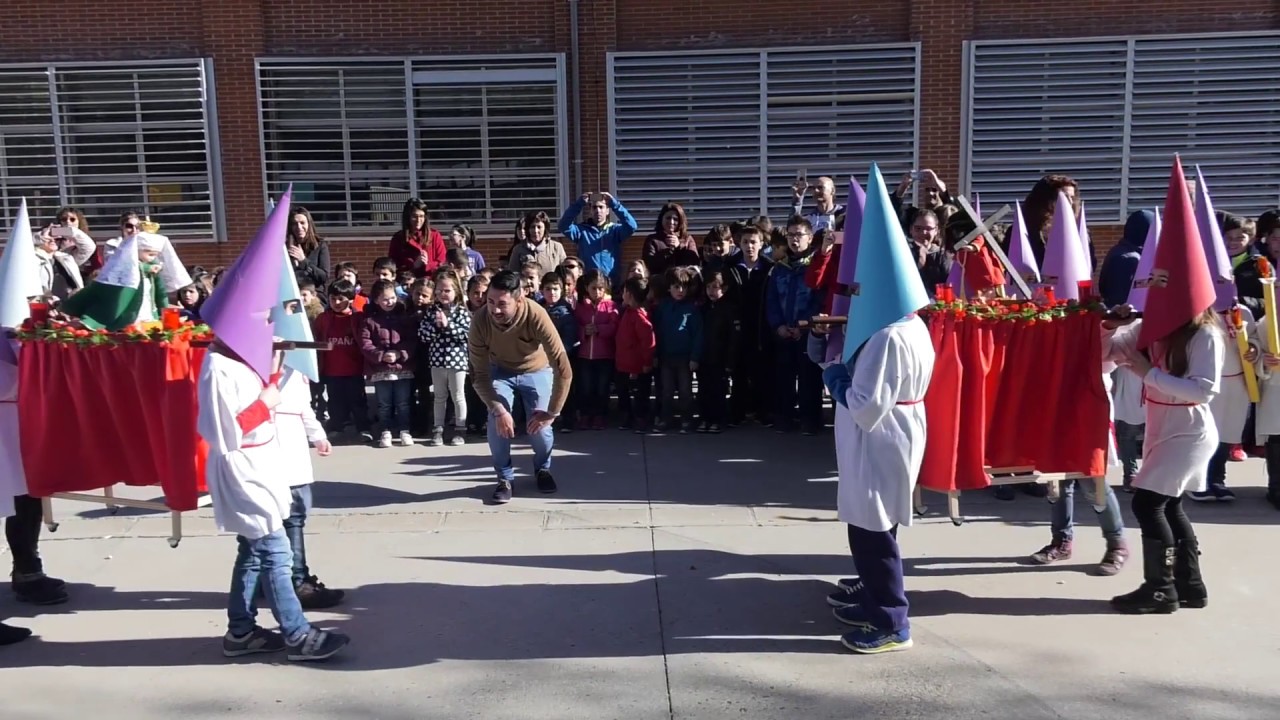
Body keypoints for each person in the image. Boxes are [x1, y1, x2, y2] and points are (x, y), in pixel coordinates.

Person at [196, 193, 348, 660]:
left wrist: (278, 368)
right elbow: (230, 430)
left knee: (253, 553)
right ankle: (299, 636)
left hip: (260, 466)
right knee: (276, 554)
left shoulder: (241, 360)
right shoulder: (219, 369)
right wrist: (270, 397)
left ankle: (240, 632)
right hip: (244, 469)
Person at [822, 164, 934, 654]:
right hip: (895, 430)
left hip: (882, 436)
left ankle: (892, 619)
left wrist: (837, 381)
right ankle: (872, 596)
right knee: (873, 520)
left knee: (873, 528)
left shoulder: (889, 336)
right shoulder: (913, 326)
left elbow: (867, 407)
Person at [1104, 160, 1215, 615]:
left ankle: (1161, 589)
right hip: (1162, 428)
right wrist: (1110, 323)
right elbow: (1114, 350)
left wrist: (1147, 371)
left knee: (1150, 504)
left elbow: (1203, 390)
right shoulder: (1153, 326)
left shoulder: (1206, 334)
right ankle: (1192, 585)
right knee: (1169, 508)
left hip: (1189, 432)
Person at [468, 270, 573, 504]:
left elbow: (563, 368)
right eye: (490, 301)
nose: (494, 310)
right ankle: (504, 478)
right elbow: (478, 374)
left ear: (519, 300)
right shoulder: (481, 320)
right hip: (499, 371)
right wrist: (498, 410)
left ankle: (542, 469)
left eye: (502, 304)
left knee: (541, 427)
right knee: (497, 422)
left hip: (536, 369)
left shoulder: (537, 314)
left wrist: (553, 412)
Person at [275, 366, 345, 609]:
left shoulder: (291, 370)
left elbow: (303, 406)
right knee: (290, 520)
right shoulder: (256, 368)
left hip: (290, 453)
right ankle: (297, 581)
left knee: (289, 518)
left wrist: (317, 435)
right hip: (273, 455)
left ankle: (277, 580)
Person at [60, 232, 192, 330]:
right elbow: (132, 269)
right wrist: (147, 267)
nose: (153, 258)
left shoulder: (154, 267)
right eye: (150, 254)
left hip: (147, 310)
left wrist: (163, 309)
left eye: (156, 255)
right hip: (128, 310)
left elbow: (160, 291)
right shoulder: (125, 264)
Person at [766, 216, 824, 434]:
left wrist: (804, 325)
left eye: (799, 235)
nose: (794, 240)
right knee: (784, 376)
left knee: (809, 377)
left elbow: (818, 299)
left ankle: (810, 420)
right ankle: (785, 417)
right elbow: (771, 300)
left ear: (809, 238)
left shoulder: (815, 265)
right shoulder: (779, 268)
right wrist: (778, 325)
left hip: (807, 332)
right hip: (784, 331)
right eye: (790, 235)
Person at [361, 279, 418, 448]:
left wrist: (400, 353)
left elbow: (412, 340)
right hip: (380, 369)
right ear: (376, 300)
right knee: (384, 404)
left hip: (402, 367)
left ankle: (404, 431)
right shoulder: (369, 320)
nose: (389, 302)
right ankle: (385, 431)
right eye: (385, 299)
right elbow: (365, 343)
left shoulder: (404, 317)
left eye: (392, 297)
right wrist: (380, 355)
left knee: (404, 402)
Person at [419, 272, 471, 447]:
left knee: (458, 396)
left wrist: (448, 326)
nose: (443, 293)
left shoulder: (462, 312)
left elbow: (467, 336)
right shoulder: (431, 312)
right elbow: (423, 335)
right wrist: (436, 326)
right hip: (437, 360)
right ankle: (438, 429)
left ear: (455, 291)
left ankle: (460, 429)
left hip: (457, 361)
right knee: (439, 396)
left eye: (447, 290)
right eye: (440, 290)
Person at [729, 225, 774, 426]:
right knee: (738, 371)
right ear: (739, 244)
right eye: (745, 242)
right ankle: (737, 412)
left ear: (761, 244)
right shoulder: (730, 267)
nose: (749, 246)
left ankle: (762, 411)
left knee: (761, 372)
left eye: (753, 242)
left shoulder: (769, 268)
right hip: (737, 325)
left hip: (760, 326)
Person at [313, 280, 370, 440]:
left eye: (341, 299)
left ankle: (363, 428)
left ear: (351, 299)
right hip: (332, 370)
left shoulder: (358, 318)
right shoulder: (323, 319)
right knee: (335, 401)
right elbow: (316, 338)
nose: (336, 303)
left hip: (354, 369)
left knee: (358, 401)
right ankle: (337, 427)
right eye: (333, 299)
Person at [653, 266, 703, 433]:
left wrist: (695, 357)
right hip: (666, 357)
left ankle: (686, 420)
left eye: (684, 287)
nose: (680, 290)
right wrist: (655, 354)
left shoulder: (692, 309)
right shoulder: (663, 307)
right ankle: (666, 419)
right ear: (669, 288)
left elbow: (698, 334)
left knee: (685, 391)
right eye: (676, 287)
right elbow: (656, 332)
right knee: (666, 391)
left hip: (685, 358)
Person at [557, 192, 639, 289]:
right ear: (591, 211)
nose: (598, 210)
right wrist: (579, 204)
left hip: (611, 285)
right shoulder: (581, 231)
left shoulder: (615, 230)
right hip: (588, 286)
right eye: (594, 207)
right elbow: (563, 226)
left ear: (607, 210)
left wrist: (615, 204)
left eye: (601, 207)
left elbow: (632, 226)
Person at [572, 270, 619, 430]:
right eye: (594, 288)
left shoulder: (611, 306)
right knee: (585, 387)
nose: (597, 292)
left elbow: (614, 326)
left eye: (601, 288)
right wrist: (583, 331)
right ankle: (585, 415)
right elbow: (574, 326)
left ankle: (600, 415)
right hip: (585, 355)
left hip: (604, 355)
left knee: (602, 387)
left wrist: (599, 329)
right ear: (587, 288)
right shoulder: (580, 307)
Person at [696, 270, 739, 433]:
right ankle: (704, 418)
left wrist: (730, 362)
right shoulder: (703, 308)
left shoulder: (729, 309)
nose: (711, 291)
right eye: (708, 287)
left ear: (724, 288)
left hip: (720, 358)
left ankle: (717, 419)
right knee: (703, 390)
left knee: (718, 391)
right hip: (704, 357)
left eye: (715, 287)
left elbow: (734, 339)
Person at [615, 276, 656, 433]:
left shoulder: (639, 316)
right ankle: (627, 417)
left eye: (624, 291)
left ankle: (641, 420)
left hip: (637, 366)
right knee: (623, 392)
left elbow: (648, 342)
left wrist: (647, 363)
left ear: (630, 294)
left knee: (640, 395)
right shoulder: (627, 312)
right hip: (623, 363)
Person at [388, 198, 446, 278]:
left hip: (431, 282)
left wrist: (427, 264)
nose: (418, 220)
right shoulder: (398, 238)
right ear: (408, 217)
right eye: (414, 216)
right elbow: (393, 266)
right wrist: (414, 266)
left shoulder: (434, 235)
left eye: (421, 216)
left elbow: (442, 262)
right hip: (408, 284)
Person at [642, 202, 700, 278]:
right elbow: (648, 265)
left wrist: (679, 247)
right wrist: (668, 251)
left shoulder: (688, 239)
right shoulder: (652, 240)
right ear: (662, 219)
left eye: (675, 219)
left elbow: (694, 263)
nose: (671, 222)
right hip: (660, 285)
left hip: (683, 285)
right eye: (668, 218)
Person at [508, 211, 566, 278]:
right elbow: (513, 274)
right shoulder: (518, 249)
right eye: (532, 227)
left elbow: (564, 274)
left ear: (545, 228)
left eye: (539, 227)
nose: (535, 231)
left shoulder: (557, 247)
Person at [286, 207, 330, 291]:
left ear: (309, 224)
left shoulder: (320, 246)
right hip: (291, 293)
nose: (299, 227)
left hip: (315, 295)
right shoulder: (284, 248)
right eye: (295, 224)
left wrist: (304, 261)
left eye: (302, 223)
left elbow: (324, 277)